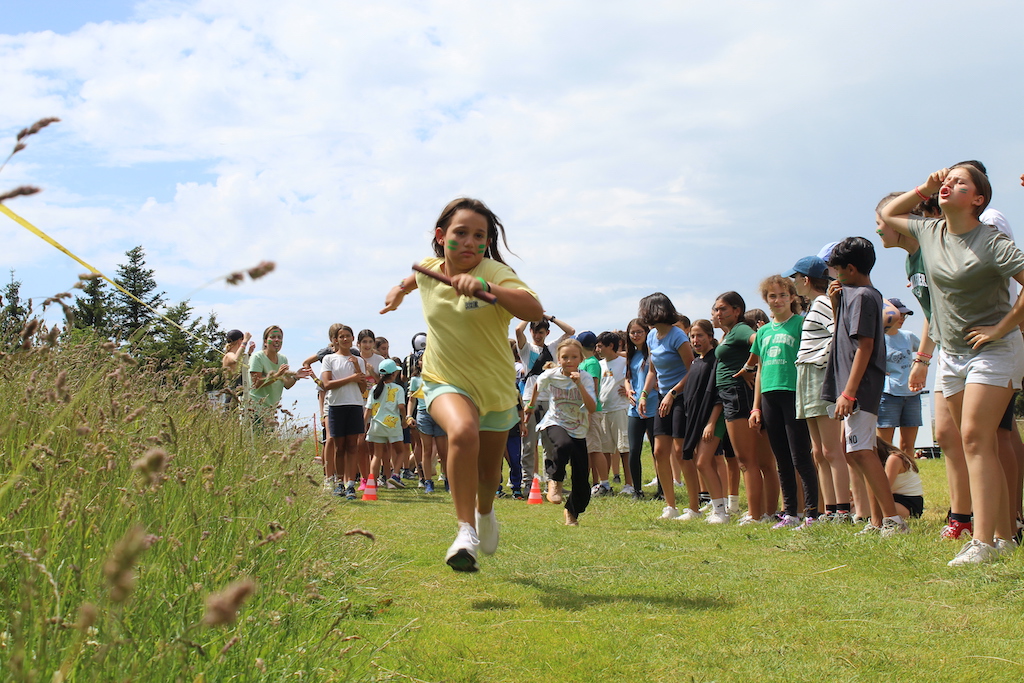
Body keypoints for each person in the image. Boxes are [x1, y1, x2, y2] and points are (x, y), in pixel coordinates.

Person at [381, 197, 544, 572]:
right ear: (441, 236)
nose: (470, 242)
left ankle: (485, 513)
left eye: (479, 236)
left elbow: (533, 310)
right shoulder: (429, 269)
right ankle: (464, 529)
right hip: (442, 380)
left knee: (489, 477)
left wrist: (488, 287)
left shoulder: (495, 273)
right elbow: (413, 277)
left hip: (496, 389)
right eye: (461, 234)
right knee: (462, 431)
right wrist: (397, 291)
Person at [881, 165, 1024, 564]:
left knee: (978, 438)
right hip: (952, 353)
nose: (949, 184)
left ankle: (983, 543)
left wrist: (1001, 327)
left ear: (978, 200)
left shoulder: (990, 239)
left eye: (961, 182)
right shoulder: (931, 232)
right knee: (973, 442)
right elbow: (891, 213)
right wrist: (923, 186)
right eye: (948, 179)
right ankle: (1006, 535)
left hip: (994, 351)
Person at [820, 237, 908, 538]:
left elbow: (865, 346)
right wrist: (835, 303)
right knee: (853, 451)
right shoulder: (849, 295)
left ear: (851, 268)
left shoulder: (863, 296)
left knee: (863, 452)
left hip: (861, 387)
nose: (832, 274)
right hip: (852, 385)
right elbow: (844, 335)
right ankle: (875, 520)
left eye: (836, 268)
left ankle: (892, 521)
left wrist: (849, 392)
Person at [748, 275, 819, 528]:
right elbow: (759, 370)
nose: (777, 300)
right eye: (772, 296)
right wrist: (756, 407)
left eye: (782, 295)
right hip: (769, 396)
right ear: (766, 300)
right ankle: (790, 512)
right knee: (781, 458)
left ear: (792, 297)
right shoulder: (763, 332)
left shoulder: (801, 324)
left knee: (801, 455)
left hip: (794, 393)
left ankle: (812, 512)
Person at [785, 255, 850, 525]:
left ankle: (842, 510)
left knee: (831, 449)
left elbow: (839, 334)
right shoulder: (813, 306)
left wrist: (819, 359)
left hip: (818, 375)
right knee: (818, 451)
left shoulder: (822, 303)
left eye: (796, 277)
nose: (795, 282)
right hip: (807, 376)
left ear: (807, 279)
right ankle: (829, 509)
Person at [712, 292, 779, 524]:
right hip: (741, 396)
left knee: (746, 460)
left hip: (737, 395)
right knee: (762, 461)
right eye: (716, 310)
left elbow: (760, 339)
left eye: (723, 309)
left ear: (737, 310)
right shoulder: (731, 333)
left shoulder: (740, 330)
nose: (718, 314)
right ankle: (768, 512)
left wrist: (749, 366)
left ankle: (754, 514)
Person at [637, 292, 697, 520]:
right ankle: (670, 506)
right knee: (659, 451)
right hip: (662, 397)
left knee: (682, 453)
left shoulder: (678, 335)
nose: (641, 314)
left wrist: (672, 393)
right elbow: (653, 371)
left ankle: (693, 508)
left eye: (644, 310)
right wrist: (644, 394)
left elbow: (692, 370)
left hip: (681, 397)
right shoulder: (652, 336)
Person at [527, 338, 598, 525]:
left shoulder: (586, 378)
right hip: (554, 421)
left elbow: (591, 408)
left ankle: (572, 511)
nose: (569, 360)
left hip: (579, 429)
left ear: (581, 359)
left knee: (582, 481)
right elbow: (536, 385)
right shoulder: (551, 374)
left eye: (573, 357)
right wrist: (530, 406)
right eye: (564, 357)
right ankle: (554, 480)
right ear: (558, 359)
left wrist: (579, 384)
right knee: (562, 445)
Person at [515, 314, 576, 490]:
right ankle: (527, 484)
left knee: (551, 445)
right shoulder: (526, 349)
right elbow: (518, 330)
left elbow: (570, 331)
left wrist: (550, 317)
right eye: (534, 331)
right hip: (530, 400)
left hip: (551, 400)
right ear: (531, 331)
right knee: (529, 444)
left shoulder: (553, 347)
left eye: (541, 332)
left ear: (547, 332)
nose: (537, 335)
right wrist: (530, 315)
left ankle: (553, 483)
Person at [682, 319, 729, 523]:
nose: (695, 340)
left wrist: (711, 423)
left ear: (711, 337)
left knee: (702, 462)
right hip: (695, 419)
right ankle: (716, 507)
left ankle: (721, 511)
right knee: (701, 462)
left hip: (713, 419)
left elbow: (717, 396)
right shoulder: (695, 361)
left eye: (700, 335)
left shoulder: (715, 360)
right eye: (692, 336)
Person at [321, 325, 370, 499]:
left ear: (352, 338)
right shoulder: (329, 359)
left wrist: (357, 368)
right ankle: (338, 482)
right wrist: (351, 378)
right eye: (341, 337)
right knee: (339, 447)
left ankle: (351, 484)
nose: (345, 339)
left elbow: (363, 387)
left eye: (348, 336)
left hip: (355, 404)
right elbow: (326, 384)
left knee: (352, 446)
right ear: (335, 339)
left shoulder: (359, 360)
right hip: (336, 405)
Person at [877, 298, 923, 460]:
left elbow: (926, 348)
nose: (902, 319)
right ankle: (884, 482)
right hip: (888, 395)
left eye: (905, 315)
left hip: (912, 395)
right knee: (884, 445)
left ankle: (907, 480)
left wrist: (921, 364)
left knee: (908, 446)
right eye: (899, 314)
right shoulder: (878, 339)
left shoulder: (908, 337)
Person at [248, 326, 313, 429]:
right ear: (265, 341)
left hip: (271, 411)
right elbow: (256, 384)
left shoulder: (283, 359)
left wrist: (295, 377)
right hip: (254, 410)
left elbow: (286, 384)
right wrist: (277, 375)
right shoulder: (258, 357)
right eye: (273, 337)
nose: (277, 340)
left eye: (279, 337)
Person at [624, 318, 658, 500]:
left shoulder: (653, 354)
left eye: (639, 332)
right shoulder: (632, 355)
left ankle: (662, 489)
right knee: (634, 449)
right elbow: (627, 378)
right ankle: (637, 491)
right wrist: (629, 391)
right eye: (632, 333)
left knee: (657, 450)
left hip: (654, 406)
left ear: (647, 333)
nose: (636, 335)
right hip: (635, 409)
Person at [596, 331, 633, 496]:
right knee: (605, 450)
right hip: (603, 411)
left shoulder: (625, 362)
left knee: (625, 449)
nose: (597, 349)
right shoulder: (599, 364)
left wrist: (630, 391)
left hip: (620, 410)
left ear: (611, 346)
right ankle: (604, 484)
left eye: (600, 346)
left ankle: (629, 485)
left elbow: (634, 380)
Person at [365, 358, 407, 489]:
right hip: (392, 424)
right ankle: (395, 475)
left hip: (376, 425)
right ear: (394, 374)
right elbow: (401, 406)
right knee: (400, 451)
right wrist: (404, 419)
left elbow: (368, 409)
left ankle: (372, 483)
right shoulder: (398, 389)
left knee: (377, 454)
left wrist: (363, 426)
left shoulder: (374, 389)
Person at [876, 438, 924, 520]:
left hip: (907, 503)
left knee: (863, 508)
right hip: (894, 499)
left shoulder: (894, 459)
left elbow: (884, 489)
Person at [221, 329, 254, 409]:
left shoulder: (234, 355)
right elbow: (235, 359)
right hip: (232, 395)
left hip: (239, 395)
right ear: (239, 341)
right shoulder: (229, 355)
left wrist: (249, 353)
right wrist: (245, 342)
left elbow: (242, 367)